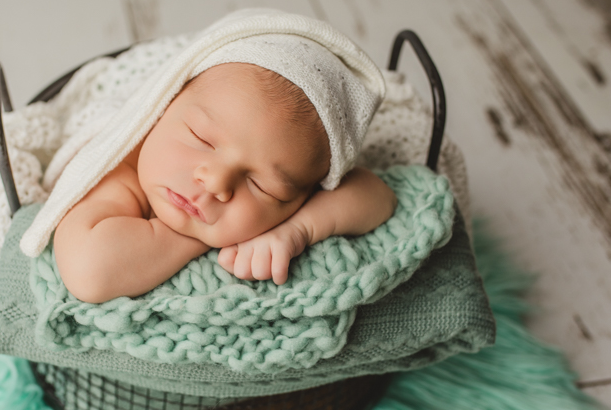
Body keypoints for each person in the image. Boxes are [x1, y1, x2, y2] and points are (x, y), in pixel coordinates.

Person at [53, 60, 397, 304]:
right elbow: (88, 270)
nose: (214, 181)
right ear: (164, 106)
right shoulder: (124, 166)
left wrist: (297, 230)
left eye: (262, 186)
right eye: (201, 138)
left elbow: (379, 196)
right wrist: (207, 239)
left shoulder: (297, 187)